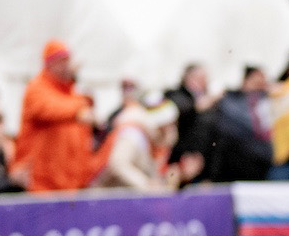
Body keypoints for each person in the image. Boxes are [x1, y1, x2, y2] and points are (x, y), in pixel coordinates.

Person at [14, 41, 98, 193]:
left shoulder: (71, 94)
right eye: (62, 62)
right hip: (43, 185)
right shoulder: (36, 88)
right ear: (49, 64)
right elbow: (48, 108)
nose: (67, 66)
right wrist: (81, 106)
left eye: (67, 61)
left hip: (71, 187)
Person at [93, 99, 178, 190]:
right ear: (161, 126)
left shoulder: (154, 143)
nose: (173, 130)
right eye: (171, 125)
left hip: (124, 196)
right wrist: (147, 185)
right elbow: (117, 164)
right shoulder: (132, 135)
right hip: (104, 196)